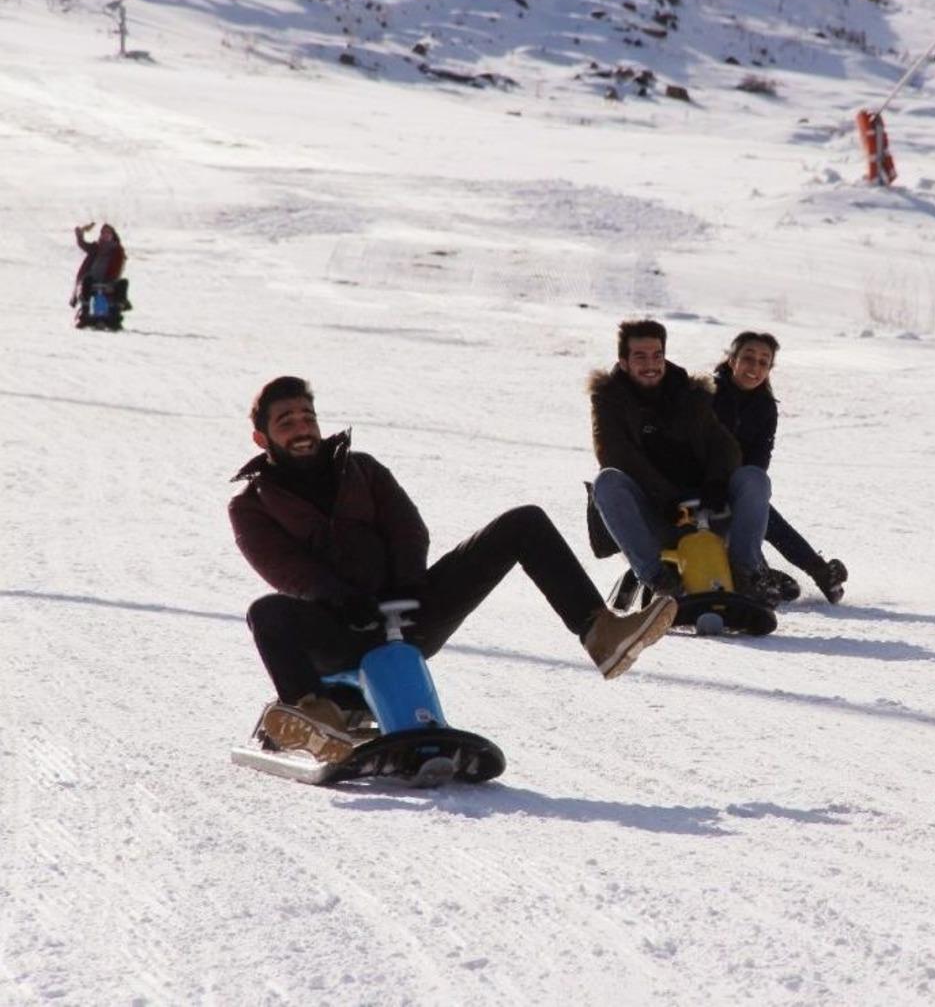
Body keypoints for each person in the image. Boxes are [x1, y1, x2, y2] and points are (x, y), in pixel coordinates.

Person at [229, 376, 677, 760]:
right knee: (267, 612)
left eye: (307, 417)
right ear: (262, 439)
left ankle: (601, 632)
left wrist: (405, 585)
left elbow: (407, 528)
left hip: (409, 610)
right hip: (338, 628)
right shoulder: (251, 506)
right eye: (286, 422)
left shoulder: (361, 468)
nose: (302, 428)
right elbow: (284, 568)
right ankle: (315, 714)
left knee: (524, 522)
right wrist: (343, 600)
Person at [588, 318, 779, 605]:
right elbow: (616, 455)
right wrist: (666, 499)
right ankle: (658, 579)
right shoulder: (609, 399)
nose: (650, 364)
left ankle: (746, 573)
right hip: (656, 515)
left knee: (753, 478)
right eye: (640, 356)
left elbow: (722, 445)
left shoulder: (689, 393)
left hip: (707, 511)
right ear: (624, 362)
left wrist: (717, 481)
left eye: (657, 355)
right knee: (607, 482)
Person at [712, 331, 847, 602]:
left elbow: (759, 460)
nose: (755, 367)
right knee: (757, 505)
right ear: (731, 360)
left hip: (735, 486)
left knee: (756, 493)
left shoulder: (765, 407)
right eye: (748, 358)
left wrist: (742, 493)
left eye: (764, 362)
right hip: (697, 484)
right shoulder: (706, 394)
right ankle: (809, 571)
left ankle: (804, 573)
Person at [70, 221, 131, 311]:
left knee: (123, 282)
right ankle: (85, 306)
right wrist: (80, 235)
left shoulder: (117, 250)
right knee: (86, 281)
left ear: (112, 235)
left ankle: (120, 305)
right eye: (103, 233)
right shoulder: (96, 247)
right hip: (93, 278)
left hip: (109, 279)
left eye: (108, 232)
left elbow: (119, 266)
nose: (105, 235)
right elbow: (83, 245)